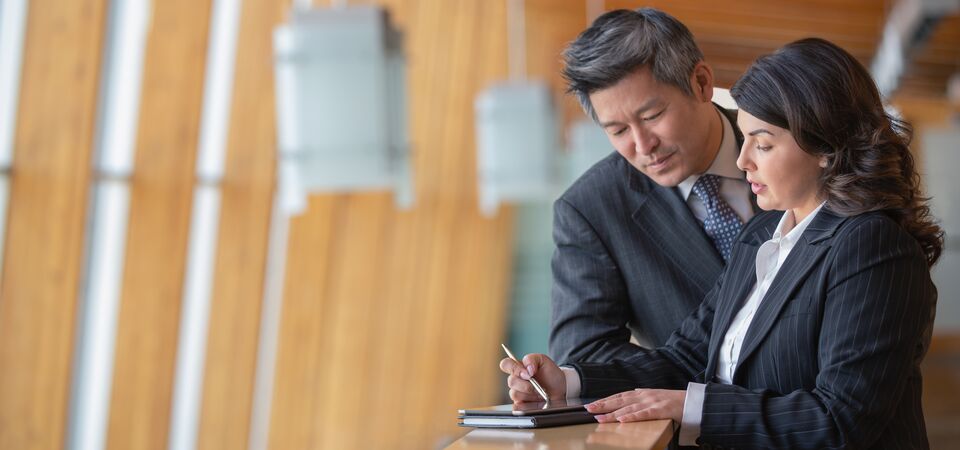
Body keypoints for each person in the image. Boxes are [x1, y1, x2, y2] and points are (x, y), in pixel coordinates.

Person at [502, 38, 943, 449]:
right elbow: (686, 357)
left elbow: (842, 418)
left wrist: (691, 407)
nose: (741, 159)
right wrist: (568, 382)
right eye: (746, 137)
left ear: (826, 146)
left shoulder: (873, 246)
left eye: (763, 144)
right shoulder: (761, 235)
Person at [550, 8, 758, 365]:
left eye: (651, 117)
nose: (643, 146)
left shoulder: (793, 143)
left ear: (703, 83)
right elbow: (583, 354)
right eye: (617, 131)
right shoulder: (591, 209)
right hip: (702, 419)